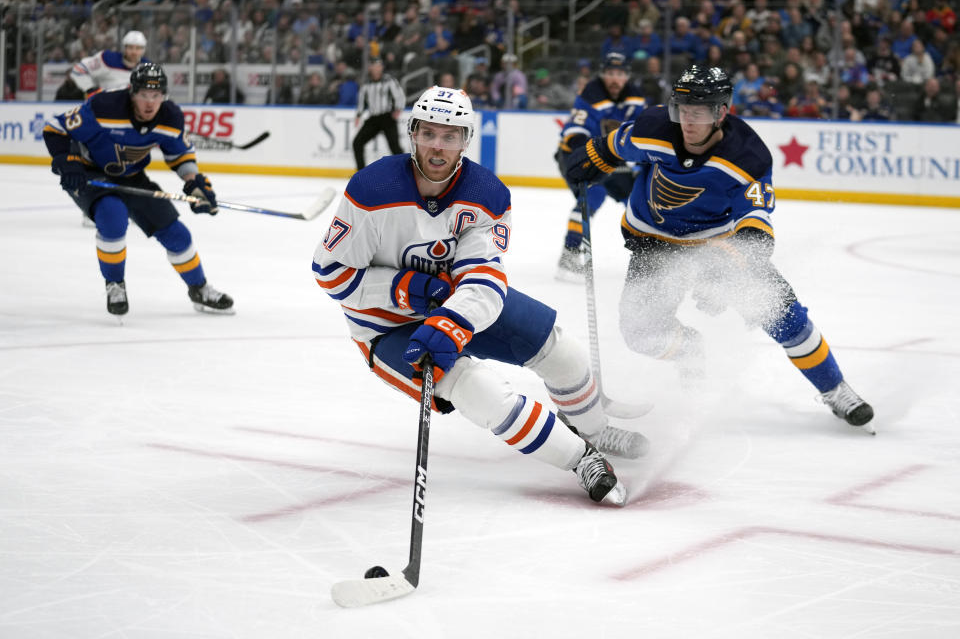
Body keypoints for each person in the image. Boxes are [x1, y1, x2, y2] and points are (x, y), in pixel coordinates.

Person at [312, 86, 651, 507]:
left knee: (563, 352)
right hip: (385, 326)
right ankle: (583, 459)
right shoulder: (371, 189)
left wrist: (452, 320)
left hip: (459, 305)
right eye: (429, 133)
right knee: (481, 391)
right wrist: (405, 288)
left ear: (466, 139)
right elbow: (332, 274)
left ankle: (594, 429)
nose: (438, 145)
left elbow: (484, 277)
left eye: (450, 135)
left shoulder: (486, 194)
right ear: (412, 132)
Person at [563, 65, 874, 431]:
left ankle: (836, 389)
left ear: (721, 112)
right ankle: (689, 350)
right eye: (681, 111)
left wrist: (723, 271)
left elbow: (755, 231)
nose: (687, 122)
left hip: (718, 245)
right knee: (641, 334)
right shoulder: (653, 128)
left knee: (781, 313)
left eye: (699, 113)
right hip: (653, 242)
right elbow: (614, 145)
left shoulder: (748, 158)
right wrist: (590, 160)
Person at [43, 63, 234, 317]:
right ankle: (115, 285)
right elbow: (55, 129)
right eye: (144, 95)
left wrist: (195, 186)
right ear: (132, 92)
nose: (149, 103)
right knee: (113, 216)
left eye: (156, 96)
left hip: (132, 177)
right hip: (90, 174)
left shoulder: (170, 116)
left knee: (176, 233)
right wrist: (68, 161)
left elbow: (180, 155)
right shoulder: (104, 107)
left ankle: (199, 289)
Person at [554, 52, 647, 281]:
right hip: (575, 154)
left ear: (627, 76)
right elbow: (575, 133)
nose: (615, 79)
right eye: (610, 73)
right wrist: (586, 160)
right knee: (594, 195)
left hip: (613, 157)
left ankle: (648, 254)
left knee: (638, 200)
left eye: (620, 74)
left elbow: (642, 133)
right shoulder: (591, 94)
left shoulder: (635, 97)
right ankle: (570, 253)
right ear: (603, 74)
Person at [352, 58, 406, 171]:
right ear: (370, 68)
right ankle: (361, 173)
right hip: (373, 119)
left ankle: (405, 171)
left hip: (387, 117)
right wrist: (358, 115)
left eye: (379, 66)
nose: (377, 68)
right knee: (357, 143)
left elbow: (399, 95)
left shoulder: (389, 80)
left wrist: (398, 109)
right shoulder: (366, 83)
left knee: (395, 147)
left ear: (382, 67)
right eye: (374, 66)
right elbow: (361, 100)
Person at [69, 30, 148, 97]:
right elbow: (78, 69)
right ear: (124, 48)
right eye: (130, 47)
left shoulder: (147, 67)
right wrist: (90, 89)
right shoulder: (107, 59)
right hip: (104, 110)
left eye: (138, 48)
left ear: (143, 50)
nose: (134, 52)